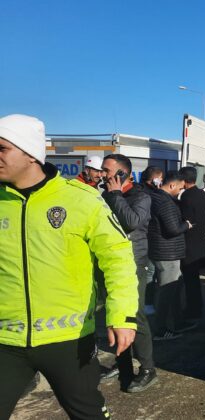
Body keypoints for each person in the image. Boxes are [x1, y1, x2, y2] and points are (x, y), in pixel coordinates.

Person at [0, 114, 138, 419]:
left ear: (29, 154)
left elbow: (118, 257)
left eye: (2, 148)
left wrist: (122, 315)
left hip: (69, 340)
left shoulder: (81, 200)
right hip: (5, 341)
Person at [100, 154, 157, 392]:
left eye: (107, 171)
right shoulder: (105, 195)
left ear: (123, 174)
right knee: (114, 315)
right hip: (109, 263)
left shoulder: (141, 197)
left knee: (135, 316)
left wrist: (115, 195)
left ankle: (147, 369)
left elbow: (132, 221)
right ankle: (122, 363)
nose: (102, 175)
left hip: (134, 264)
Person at [148, 171, 195, 340]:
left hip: (165, 251)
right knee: (165, 292)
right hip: (166, 253)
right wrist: (186, 225)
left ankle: (178, 322)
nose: (181, 191)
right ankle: (160, 330)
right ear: (172, 185)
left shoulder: (158, 198)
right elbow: (173, 229)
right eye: (180, 188)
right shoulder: (165, 202)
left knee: (175, 287)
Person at [178, 166, 205, 319]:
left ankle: (193, 310)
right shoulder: (202, 193)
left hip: (188, 242)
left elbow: (183, 219)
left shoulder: (186, 196)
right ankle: (197, 306)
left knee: (190, 280)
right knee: (194, 279)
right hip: (200, 241)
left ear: (184, 180)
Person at [140, 166, 164, 312]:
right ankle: (147, 303)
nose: (161, 181)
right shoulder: (150, 194)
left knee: (149, 271)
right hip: (148, 238)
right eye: (160, 178)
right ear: (155, 179)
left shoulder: (142, 190)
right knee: (149, 272)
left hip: (146, 237)